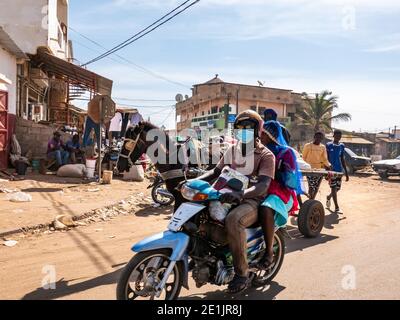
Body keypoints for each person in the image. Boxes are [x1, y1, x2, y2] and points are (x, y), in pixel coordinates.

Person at [191, 110, 275, 293]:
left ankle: (242, 273)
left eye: (248, 127)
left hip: (251, 201)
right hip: (225, 195)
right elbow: (215, 172)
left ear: (257, 130)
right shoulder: (232, 150)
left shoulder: (266, 155)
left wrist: (241, 194)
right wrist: (192, 183)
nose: (243, 130)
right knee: (198, 211)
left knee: (233, 220)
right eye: (239, 127)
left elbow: (263, 185)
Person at [257, 121, 302, 270]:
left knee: (265, 209)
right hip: (259, 188)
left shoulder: (285, 152)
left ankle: (269, 252)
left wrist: (275, 170)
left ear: (270, 135)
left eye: (264, 133)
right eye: (260, 133)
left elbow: (290, 181)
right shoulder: (257, 150)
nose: (260, 135)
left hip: (280, 192)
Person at [326, 130, 349, 213]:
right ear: (333, 135)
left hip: (339, 170)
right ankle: (337, 207)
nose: (338, 137)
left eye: (340, 136)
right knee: (333, 187)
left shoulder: (342, 146)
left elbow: (342, 159)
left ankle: (328, 197)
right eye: (337, 135)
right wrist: (327, 170)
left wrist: (346, 172)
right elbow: (326, 158)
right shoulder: (328, 145)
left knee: (337, 188)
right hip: (331, 171)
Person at [302, 132, 331, 199]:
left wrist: (329, 166)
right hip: (309, 169)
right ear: (314, 137)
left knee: (317, 186)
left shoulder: (322, 147)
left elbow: (324, 158)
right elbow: (303, 157)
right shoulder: (308, 146)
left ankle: (312, 200)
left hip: (319, 170)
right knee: (311, 186)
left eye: (320, 137)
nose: (318, 138)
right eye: (317, 137)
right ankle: (310, 201)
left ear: (322, 139)